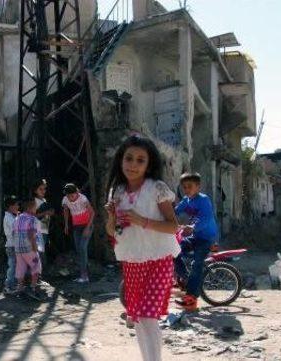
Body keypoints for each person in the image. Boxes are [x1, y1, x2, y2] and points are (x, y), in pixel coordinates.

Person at [104, 135, 179, 361]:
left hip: (159, 259)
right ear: (120, 161)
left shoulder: (157, 188)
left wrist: (141, 221)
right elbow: (112, 231)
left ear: (148, 165)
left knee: (148, 316)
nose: (133, 165)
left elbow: (173, 226)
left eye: (140, 160)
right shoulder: (117, 192)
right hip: (133, 260)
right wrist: (111, 216)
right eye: (129, 158)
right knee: (137, 317)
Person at [174, 172, 219, 311]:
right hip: (195, 236)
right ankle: (185, 280)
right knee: (173, 250)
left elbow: (205, 219)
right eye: (184, 187)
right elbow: (175, 211)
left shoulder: (204, 200)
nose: (186, 190)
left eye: (189, 186)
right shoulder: (186, 201)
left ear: (198, 187)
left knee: (196, 264)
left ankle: (191, 299)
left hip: (207, 237)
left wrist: (192, 227)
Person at [62, 183, 95, 283]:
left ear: (76, 193)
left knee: (82, 247)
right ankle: (84, 273)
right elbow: (66, 211)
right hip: (76, 227)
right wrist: (66, 224)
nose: (70, 198)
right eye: (68, 196)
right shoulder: (65, 200)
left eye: (72, 195)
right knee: (79, 250)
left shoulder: (83, 198)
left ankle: (84, 276)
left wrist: (88, 227)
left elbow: (92, 212)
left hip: (87, 225)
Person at [13, 197, 42, 299]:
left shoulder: (17, 218)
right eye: (35, 207)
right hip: (29, 248)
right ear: (30, 208)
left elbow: (14, 233)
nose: (36, 210)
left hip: (18, 248)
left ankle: (20, 288)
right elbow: (31, 234)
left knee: (20, 267)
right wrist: (35, 248)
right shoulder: (33, 219)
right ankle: (33, 287)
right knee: (36, 265)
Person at [32, 179, 53, 272]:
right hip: (38, 230)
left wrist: (50, 213)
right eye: (41, 189)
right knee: (39, 252)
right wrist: (46, 212)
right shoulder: (34, 202)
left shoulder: (44, 200)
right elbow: (32, 216)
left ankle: (40, 273)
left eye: (44, 189)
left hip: (44, 229)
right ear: (35, 190)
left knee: (42, 251)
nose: (43, 191)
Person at [3, 195, 19, 294]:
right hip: (11, 246)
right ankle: (8, 286)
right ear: (10, 206)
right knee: (12, 266)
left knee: (15, 266)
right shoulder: (9, 218)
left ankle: (12, 284)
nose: (18, 207)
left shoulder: (12, 217)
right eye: (16, 205)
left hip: (14, 246)